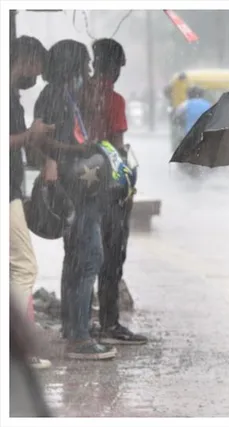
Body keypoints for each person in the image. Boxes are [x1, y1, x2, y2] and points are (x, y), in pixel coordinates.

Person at [34, 39, 116, 360]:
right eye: (85, 62)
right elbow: (46, 142)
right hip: (75, 190)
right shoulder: (55, 96)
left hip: (81, 189)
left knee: (77, 260)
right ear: (72, 64)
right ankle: (80, 338)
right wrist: (80, 151)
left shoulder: (65, 95)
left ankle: (74, 327)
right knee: (88, 259)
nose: (90, 69)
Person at [84, 38, 147, 345]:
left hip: (82, 185)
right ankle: (110, 323)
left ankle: (82, 323)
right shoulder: (114, 99)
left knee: (84, 255)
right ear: (115, 66)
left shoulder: (81, 93)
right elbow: (117, 148)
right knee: (112, 255)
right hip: (110, 190)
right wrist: (127, 186)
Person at [9, 35, 53, 370]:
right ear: (24, 59)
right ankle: (14, 348)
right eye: (36, 67)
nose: (37, 76)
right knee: (24, 267)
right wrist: (29, 135)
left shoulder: (12, 97)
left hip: (11, 192)